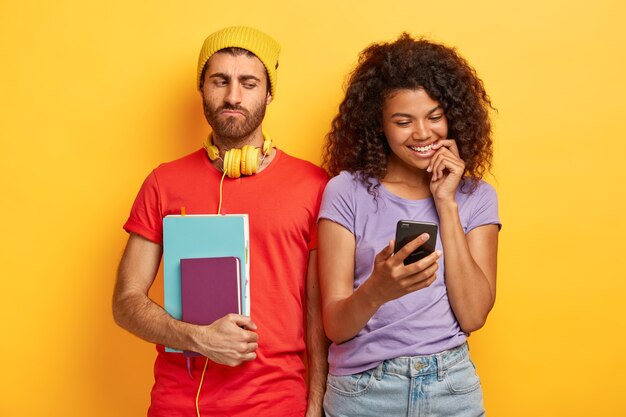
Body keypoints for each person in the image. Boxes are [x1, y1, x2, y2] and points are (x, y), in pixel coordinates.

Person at [112, 26, 329, 417]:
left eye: (248, 82)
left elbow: (318, 313)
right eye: (220, 81)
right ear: (202, 89)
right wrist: (197, 338)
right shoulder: (163, 182)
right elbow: (126, 302)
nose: (233, 96)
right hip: (177, 404)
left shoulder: (314, 186)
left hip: (277, 405)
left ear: (269, 92)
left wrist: (315, 407)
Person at [318, 33, 501, 416]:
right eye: (403, 121)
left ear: (453, 114)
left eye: (434, 117)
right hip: (364, 391)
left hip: (450, 385)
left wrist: (446, 203)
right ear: (378, 124)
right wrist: (377, 289)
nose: (422, 134)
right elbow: (335, 326)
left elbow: (473, 316)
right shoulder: (345, 191)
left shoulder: (477, 196)